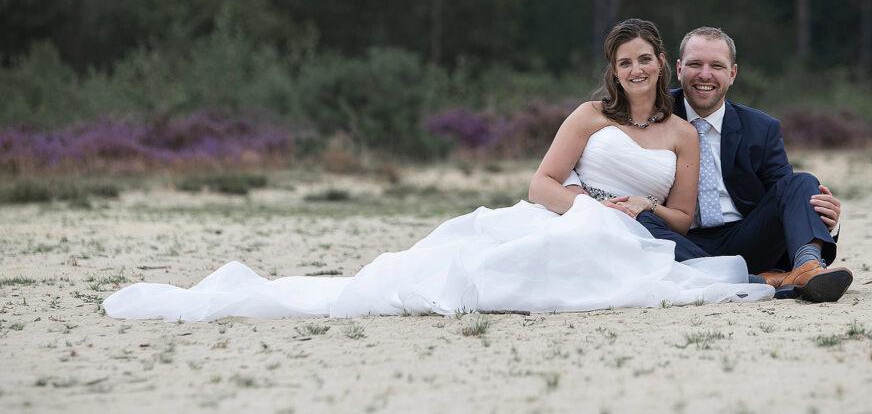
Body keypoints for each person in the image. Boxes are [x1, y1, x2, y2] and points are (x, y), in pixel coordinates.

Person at [103, 20, 772, 321]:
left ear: (665, 65)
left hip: (634, 232)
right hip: (571, 214)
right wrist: (591, 206)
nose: (636, 70)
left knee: (583, 276)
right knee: (493, 257)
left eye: (646, 60)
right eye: (624, 61)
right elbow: (540, 182)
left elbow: (683, 216)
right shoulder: (588, 117)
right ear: (613, 68)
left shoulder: (682, 132)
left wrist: (636, 212)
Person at [637, 26, 853, 303]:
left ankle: (806, 268)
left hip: (746, 241)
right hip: (678, 240)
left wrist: (824, 220)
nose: (705, 74)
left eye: (716, 66)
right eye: (695, 64)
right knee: (637, 216)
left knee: (802, 183)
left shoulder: (761, 128)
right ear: (679, 69)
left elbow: (785, 197)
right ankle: (760, 281)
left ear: (732, 74)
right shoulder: (651, 114)